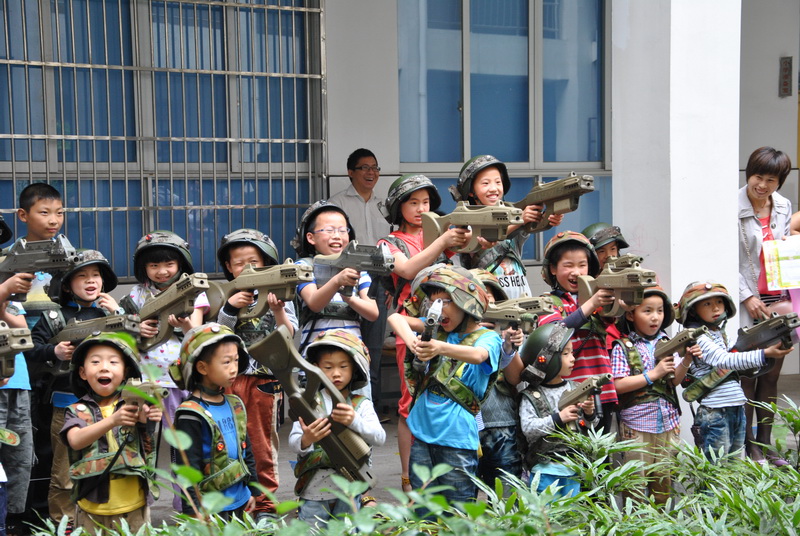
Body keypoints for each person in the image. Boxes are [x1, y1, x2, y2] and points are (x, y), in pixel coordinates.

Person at [376, 173, 467, 491]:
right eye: (413, 202)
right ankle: (408, 479)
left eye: (426, 202)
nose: (420, 208)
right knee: (410, 404)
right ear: (398, 207)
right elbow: (406, 269)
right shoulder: (389, 242)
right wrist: (442, 241)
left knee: (448, 397)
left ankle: (446, 473)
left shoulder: (441, 234)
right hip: (411, 328)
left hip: (449, 327)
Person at [388, 266, 501, 505]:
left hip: (457, 440)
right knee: (424, 510)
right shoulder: (436, 329)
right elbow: (395, 318)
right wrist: (413, 342)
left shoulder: (488, 338)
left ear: (466, 302)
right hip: (421, 435)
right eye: (433, 302)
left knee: (458, 511)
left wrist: (439, 347)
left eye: (445, 302)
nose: (437, 309)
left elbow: (479, 355)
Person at [26, 250, 121, 527]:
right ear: (67, 285)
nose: (91, 281)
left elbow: (135, 345)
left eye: (96, 275)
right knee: (64, 473)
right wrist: (53, 351)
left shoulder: (112, 312)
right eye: (82, 276)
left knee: (111, 465)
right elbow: (30, 347)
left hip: (109, 406)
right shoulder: (54, 316)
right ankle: (63, 525)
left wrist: (119, 313)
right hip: (66, 404)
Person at [214, 228, 298, 519]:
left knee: (262, 444)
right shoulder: (227, 294)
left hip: (264, 380)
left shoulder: (279, 291)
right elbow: (218, 335)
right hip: (229, 379)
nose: (246, 268)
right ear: (228, 266)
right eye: (239, 263)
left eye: (253, 261)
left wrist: (278, 310)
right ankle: (233, 503)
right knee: (228, 442)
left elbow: (289, 333)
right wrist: (229, 308)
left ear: (266, 262)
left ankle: (265, 506)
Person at [675, 281, 792, 461]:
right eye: (707, 304)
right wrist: (765, 353)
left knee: (733, 465)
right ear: (692, 311)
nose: (715, 307)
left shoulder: (719, 334)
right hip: (715, 411)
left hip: (735, 407)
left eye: (719, 302)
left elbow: (739, 358)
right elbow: (726, 360)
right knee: (716, 467)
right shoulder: (698, 336)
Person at [60, 332, 162, 533]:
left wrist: (150, 413)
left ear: (126, 373)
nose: (104, 367)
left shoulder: (133, 405)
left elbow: (145, 419)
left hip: (134, 508)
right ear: (82, 372)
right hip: (91, 509)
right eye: (95, 362)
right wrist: (112, 421)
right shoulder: (76, 410)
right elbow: (75, 440)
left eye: (113, 362)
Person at [288, 330, 385, 529]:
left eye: (343, 366)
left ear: (354, 369)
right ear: (316, 369)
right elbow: (294, 442)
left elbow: (379, 437)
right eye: (328, 367)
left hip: (350, 490)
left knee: (347, 530)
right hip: (313, 491)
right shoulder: (309, 403)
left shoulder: (361, 404)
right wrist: (307, 439)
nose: (336, 373)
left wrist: (355, 421)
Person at [610, 286, 698, 504]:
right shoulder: (623, 346)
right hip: (636, 426)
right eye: (647, 311)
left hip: (668, 424)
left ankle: (661, 520)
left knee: (663, 486)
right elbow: (618, 385)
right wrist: (653, 374)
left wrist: (686, 360)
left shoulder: (667, 342)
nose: (655, 317)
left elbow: (674, 381)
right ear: (631, 315)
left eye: (659, 311)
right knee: (634, 488)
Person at [737, 146, 793, 465]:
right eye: (758, 177)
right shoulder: (732, 206)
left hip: (777, 300)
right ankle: (749, 446)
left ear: (780, 181)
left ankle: (766, 443)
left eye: (771, 180)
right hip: (747, 301)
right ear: (748, 173)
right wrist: (746, 295)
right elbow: (723, 254)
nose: (762, 185)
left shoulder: (782, 205)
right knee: (748, 375)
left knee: (771, 375)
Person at [172, 323, 260, 520]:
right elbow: (187, 467)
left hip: (241, 500)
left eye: (236, 361)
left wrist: (253, 490)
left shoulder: (234, 404)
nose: (233, 369)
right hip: (210, 508)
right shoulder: (190, 414)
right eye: (226, 362)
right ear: (202, 367)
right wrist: (193, 510)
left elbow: (246, 450)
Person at [329, 149, 392, 409]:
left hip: (380, 278)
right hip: (348, 276)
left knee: (374, 345)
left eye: (375, 168)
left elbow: (391, 247)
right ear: (350, 172)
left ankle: (371, 407)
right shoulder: (337, 204)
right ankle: (342, 404)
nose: (371, 173)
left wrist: (391, 285)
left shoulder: (385, 207)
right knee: (346, 339)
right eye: (364, 167)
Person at [537, 231, 618, 433]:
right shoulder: (548, 301)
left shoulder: (597, 296)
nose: (576, 272)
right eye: (568, 265)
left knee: (603, 450)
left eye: (582, 265)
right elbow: (554, 336)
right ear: (553, 269)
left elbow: (613, 317)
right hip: (570, 395)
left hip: (603, 391)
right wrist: (591, 305)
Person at [122, 231, 206, 422]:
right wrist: (137, 328)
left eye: (169, 264)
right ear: (144, 267)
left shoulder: (193, 291)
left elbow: (196, 334)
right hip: (145, 376)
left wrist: (184, 324)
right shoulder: (137, 293)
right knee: (146, 430)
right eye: (154, 266)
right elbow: (122, 332)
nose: (162, 271)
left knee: (179, 429)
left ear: (181, 264)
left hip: (178, 376)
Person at [451, 155, 562, 299]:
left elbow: (534, 225)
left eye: (498, 182)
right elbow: (480, 237)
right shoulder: (467, 223)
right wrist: (519, 220)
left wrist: (550, 216)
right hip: (490, 303)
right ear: (471, 191)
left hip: (521, 300)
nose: (494, 188)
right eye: (485, 183)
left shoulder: (514, 219)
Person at [290, 201, 378, 360]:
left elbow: (373, 313)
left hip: (353, 354)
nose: (337, 236)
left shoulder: (359, 269)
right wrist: (337, 281)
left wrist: (349, 298)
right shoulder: (304, 267)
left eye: (343, 230)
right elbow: (314, 303)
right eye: (329, 230)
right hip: (316, 355)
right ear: (310, 237)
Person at [518, 322, 599, 498]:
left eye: (572, 352)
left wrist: (589, 413)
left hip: (574, 468)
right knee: (544, 513)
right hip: (545, 469)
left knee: (572, 512)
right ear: (547, 359)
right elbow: (528, 428)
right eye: (565, 353)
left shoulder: (576, 388)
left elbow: (591, 427)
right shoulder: (532, 395)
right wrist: (558, 418)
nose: (573, 358)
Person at [470, 268, 525, 488]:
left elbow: (515, 378)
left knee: (507, 496)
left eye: (491, 302)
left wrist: (509, 345)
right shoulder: (452, 335)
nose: (486, 309)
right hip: (462, 427)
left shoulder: (505, 333)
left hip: (501, 424)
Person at [0, 269, 32, 536]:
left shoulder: (9, 293)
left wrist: (3, 301)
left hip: (17, 381)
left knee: (20, 457)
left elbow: (23, 331)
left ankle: (12, 518)